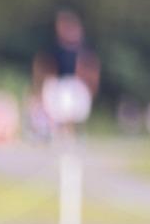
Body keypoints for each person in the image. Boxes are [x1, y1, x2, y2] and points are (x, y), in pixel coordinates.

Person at [32, 9, 99, 143]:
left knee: (72, 111)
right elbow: (45, 65)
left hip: (74, 84)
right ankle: (59, 133)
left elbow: (90, 67)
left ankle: (72, 134)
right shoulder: (54, 47)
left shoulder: (82, 48)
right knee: (59, 111)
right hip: (59, 83)